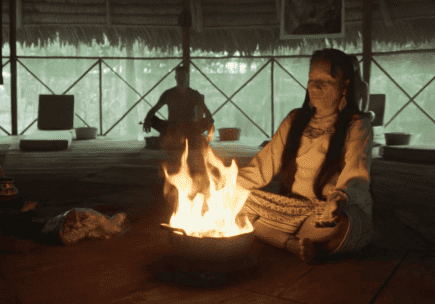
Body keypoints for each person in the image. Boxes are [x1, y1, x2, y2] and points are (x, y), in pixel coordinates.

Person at [235, 48, 374, 264]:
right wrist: (223, 187)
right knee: (238, 202)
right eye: (311, 80)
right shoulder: (295, 119)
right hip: (291, 208)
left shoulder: (358, 124)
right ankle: (293, 244)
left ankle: (282, 236)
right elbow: (262, 167)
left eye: (325, 81)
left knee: (336, 227)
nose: (315, 86)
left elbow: (356, 174)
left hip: (328, 211)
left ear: (345, 85)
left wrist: (337, 201)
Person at [142, 65, 214, 149]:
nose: (181, 78)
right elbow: (154, 110)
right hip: (172, 127)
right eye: (179, 75)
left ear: (187, 77)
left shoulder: (194, 94)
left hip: (189, 128)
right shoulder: (168, 93)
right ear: (175, 77)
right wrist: (147, 119)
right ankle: (176, 139)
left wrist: (209, 126)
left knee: (208, 121)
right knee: (152, 119)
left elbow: (207, 113)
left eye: (183, 75)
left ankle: (187, 139)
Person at [350, 55, 375, 122]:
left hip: (356, 114)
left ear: (357, 66)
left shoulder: (363, 85)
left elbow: (364, 108)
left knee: (371, 114)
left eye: (352, 64)